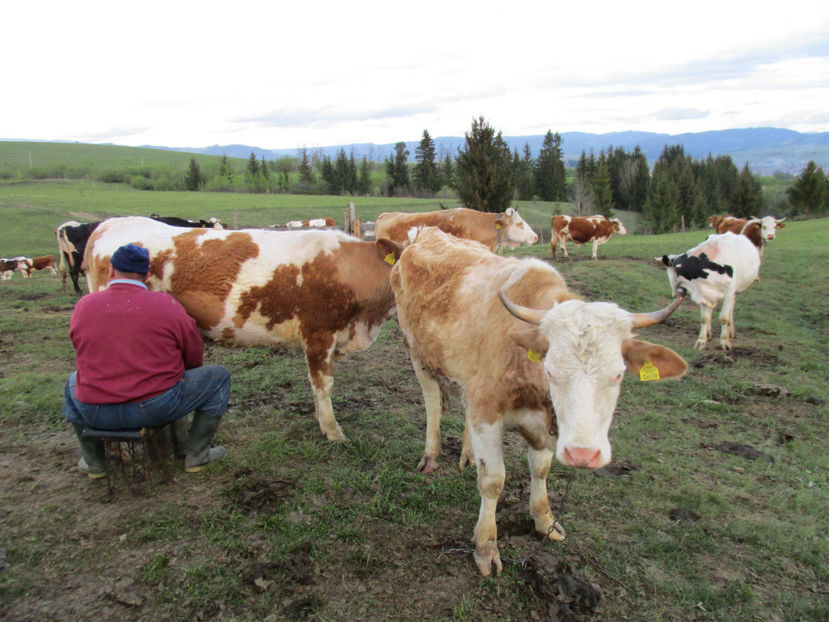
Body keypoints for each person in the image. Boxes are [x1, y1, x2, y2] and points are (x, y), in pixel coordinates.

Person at [63, 243, 230, 478]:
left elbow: (79, 349)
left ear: (111, 271)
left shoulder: (83, 306)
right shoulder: (167, 305)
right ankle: (197, 455)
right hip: (154, 408)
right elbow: (193, 355)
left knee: (72, 382)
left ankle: (94, 463)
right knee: (219, 377)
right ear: (147, 275)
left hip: (94, 410)